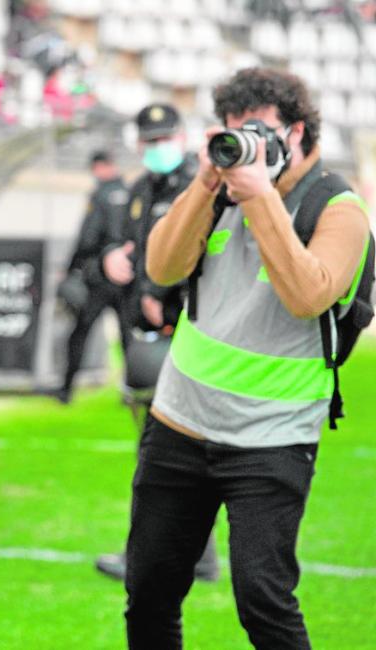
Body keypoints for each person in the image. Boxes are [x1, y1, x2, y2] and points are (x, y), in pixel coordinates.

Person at [126, 67, 370, 649]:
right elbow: (161, 268)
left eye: (258, 133)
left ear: (300, 131)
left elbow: (308, 294)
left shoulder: (339, 210)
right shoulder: (220, 190)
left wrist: (260, 195)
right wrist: (209, 182)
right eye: (233, 134)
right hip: (180, 422)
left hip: (273, 436)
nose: (244, 148)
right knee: (150, 593)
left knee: (263, 602)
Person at [93, 103, 219, 584]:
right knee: (164, 449)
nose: (156, 148)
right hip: (144, 335)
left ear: (181, 138)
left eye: (164, 138)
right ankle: (194, 557)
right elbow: (123, 242)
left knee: (169, 450)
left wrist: (156, 292)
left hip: (185, 334)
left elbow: (199, 257)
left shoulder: (199, 185)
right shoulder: (141, 188)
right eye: (149, 140)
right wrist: (112, 258)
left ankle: (152, 556)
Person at [54, 150, 129, 404]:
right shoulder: (133, 192)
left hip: (98, 277)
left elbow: (88, 237)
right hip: (126, 276)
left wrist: (72, 267)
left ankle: (66, 389)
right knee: (127, 337)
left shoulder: (101, 195)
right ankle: (131, 389)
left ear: (100, 167)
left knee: (80, 333)